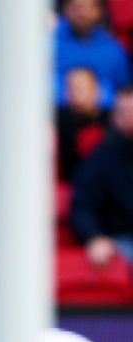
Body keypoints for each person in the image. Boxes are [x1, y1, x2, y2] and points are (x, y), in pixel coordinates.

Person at [70, 86, 133, 266]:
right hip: (121, 240)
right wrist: (94, 237)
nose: (128, 117)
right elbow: (82, 207)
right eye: (123, 111)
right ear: (113, 116)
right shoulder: (100, 158)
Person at [54, 0, 130, 109]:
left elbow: (123, 89)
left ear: (99, 11)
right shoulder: (48, 43)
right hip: (54, 113)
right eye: (76, 7)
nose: (82, 13)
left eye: (89, 8)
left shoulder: (113, 49)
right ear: (65, 9)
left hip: (103, 116)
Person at [56, 66, 109, 181]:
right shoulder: (55, 119)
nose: (73, 92)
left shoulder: (113, 120)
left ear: (96, 89)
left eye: (80, 87)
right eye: (69, 87)